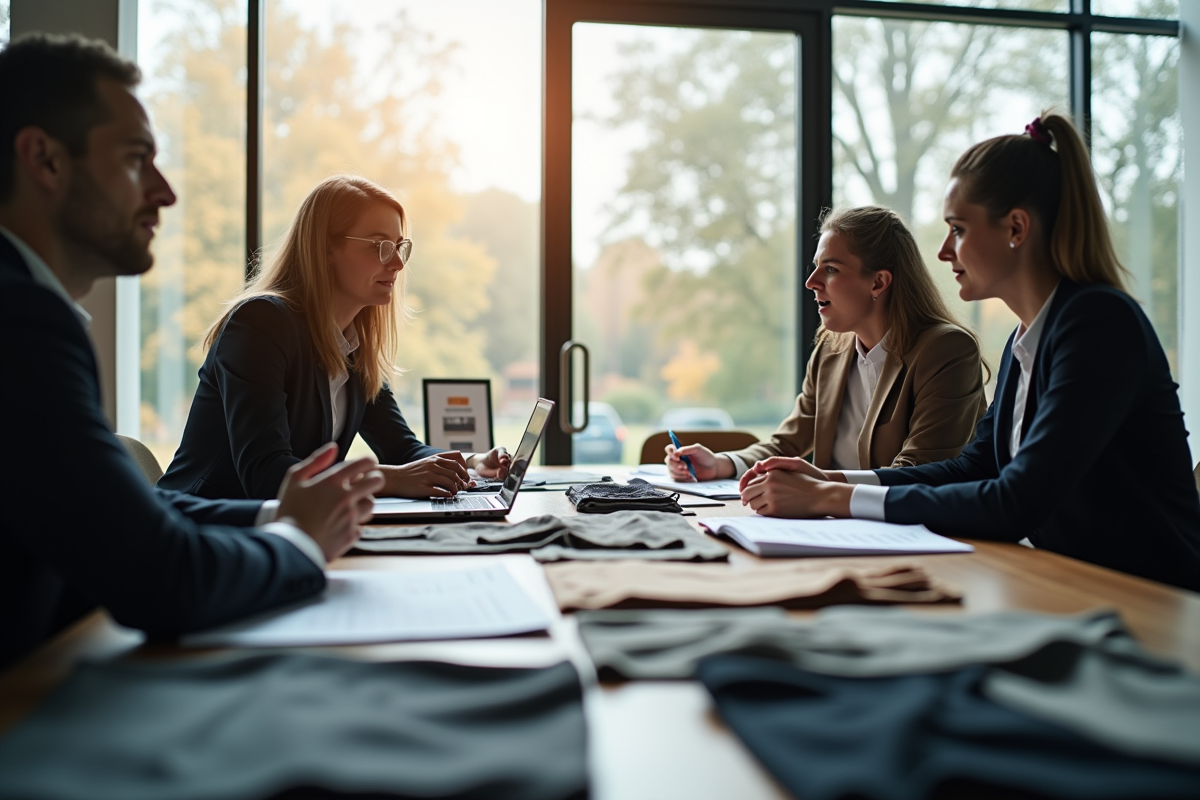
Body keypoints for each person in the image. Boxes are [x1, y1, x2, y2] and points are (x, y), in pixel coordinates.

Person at [0, 33, 385, 668]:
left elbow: (134, 509)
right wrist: (298, 543)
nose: (165, 191)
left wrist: (275, 518)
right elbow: (163, 578)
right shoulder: (18, 321)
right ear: (45, 160)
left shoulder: (28, 311)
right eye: (134, 159)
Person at [739, 114, 1200, 591]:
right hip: (1068, 585)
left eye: (957, 229)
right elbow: (973, 467)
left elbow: (1015, 502)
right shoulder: (1027, 336)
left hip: (1156, 601)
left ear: (1016, 228)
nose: (943, 251)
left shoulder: (1099, 324)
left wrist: (832, 499)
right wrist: (830, 479)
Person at [158, 175, 511, 501]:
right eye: (379, 246)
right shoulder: (260, 323)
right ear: (325, 248)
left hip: (285, 532)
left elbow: (402, 450)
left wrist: (473, 462)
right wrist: (389, 479)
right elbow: (267, 474)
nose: (397, 264)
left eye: (400, 246)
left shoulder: (354, 346)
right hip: (204, 533)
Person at [666, 206, 987, 482]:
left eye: (831, 269)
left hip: (926, 539)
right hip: (839, 532)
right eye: (816, 266)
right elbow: (786, 444)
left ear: (878, 282)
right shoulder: (831, 351)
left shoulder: (947, 351)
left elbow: (922, 471)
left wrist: (819, 487)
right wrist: (722, 464)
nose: (811, 282)